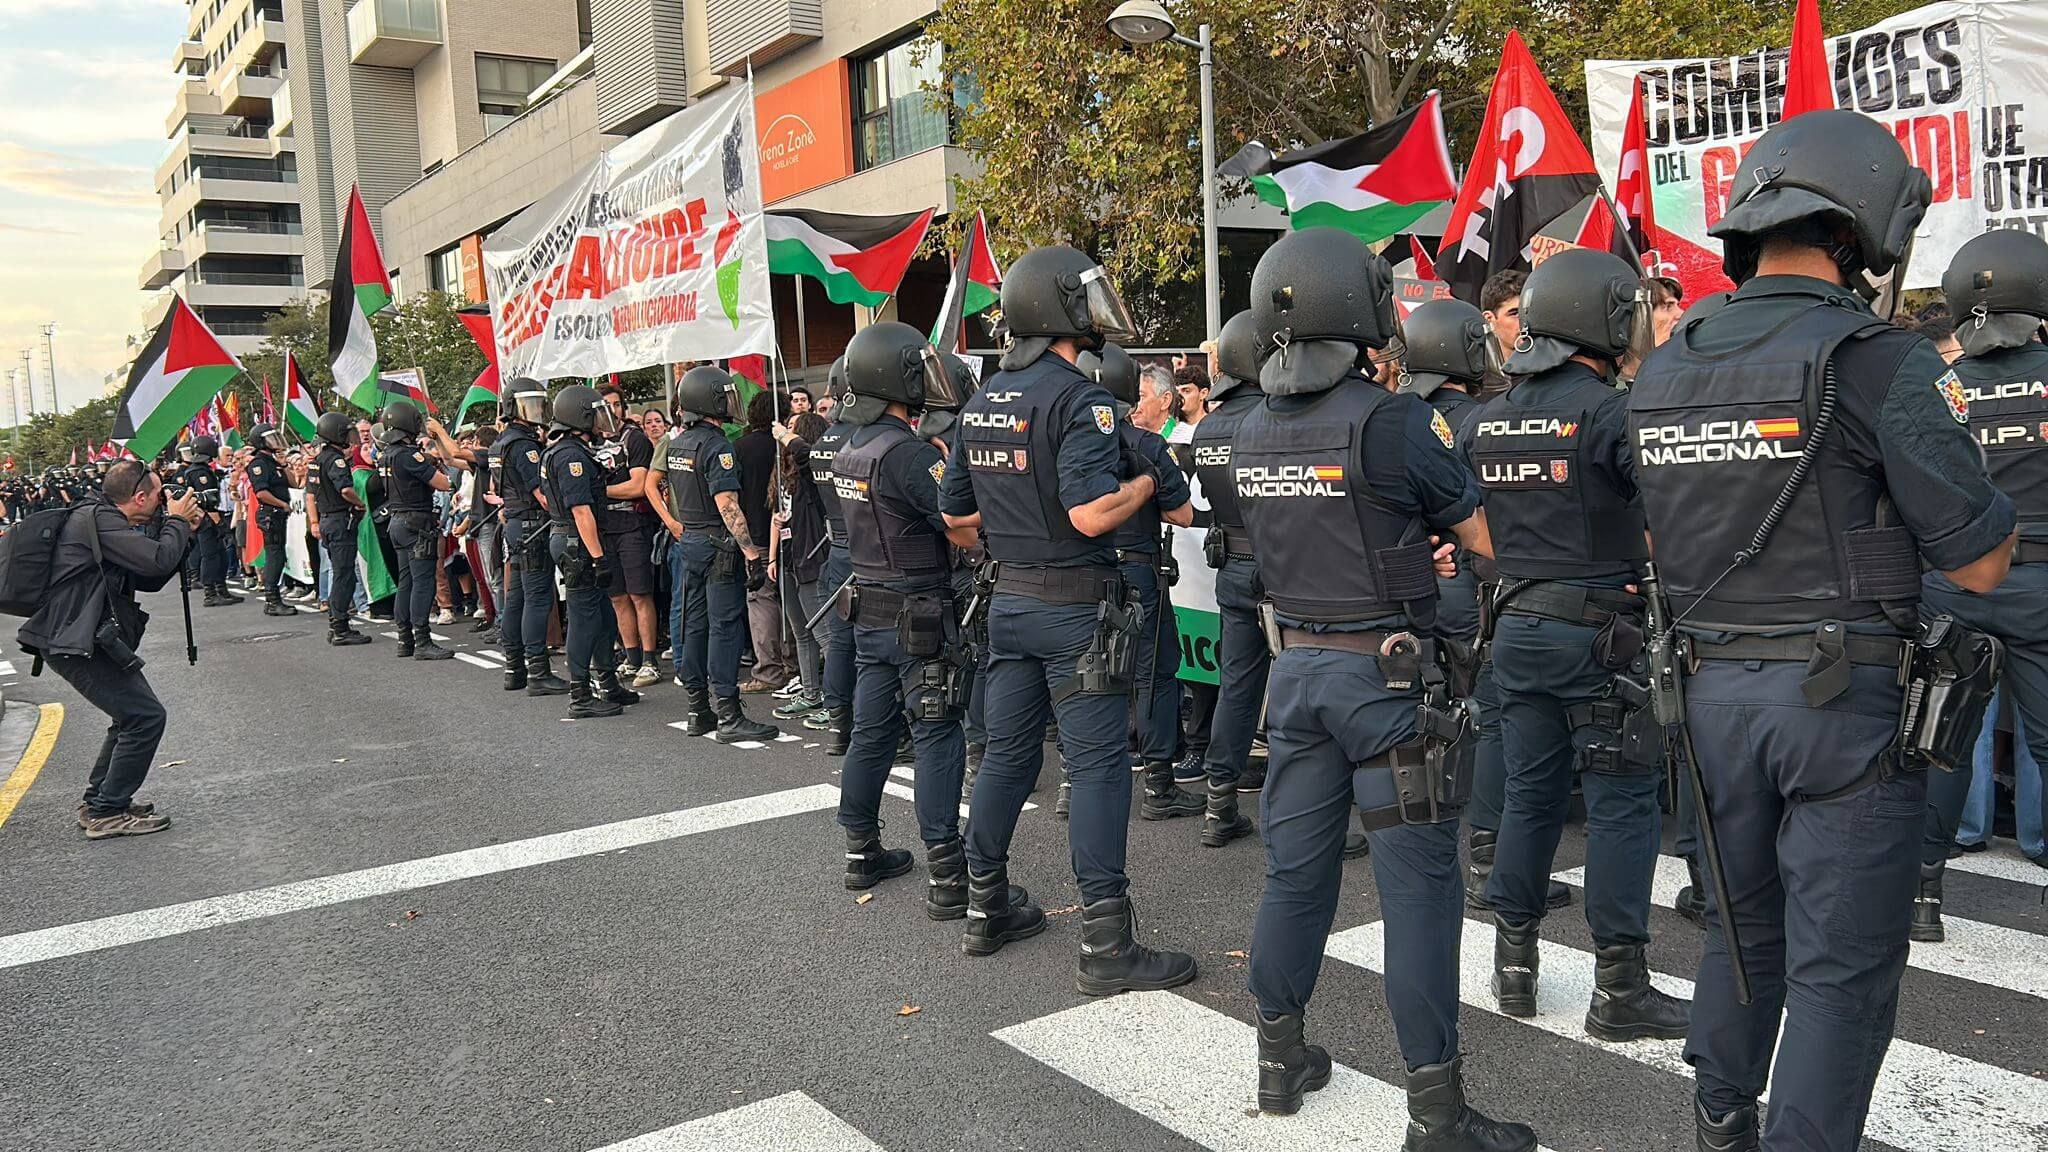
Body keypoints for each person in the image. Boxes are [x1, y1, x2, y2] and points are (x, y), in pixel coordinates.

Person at [1627, 109, 2014, 1151]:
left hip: (1709, 701)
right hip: (1841, 708)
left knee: (1739, 926)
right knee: (1840, 970)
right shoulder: (1878, 359)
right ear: (1854, 237)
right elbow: (1977, 560)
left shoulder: (1659, 370)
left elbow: (1655, 543)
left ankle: (1718, 1118)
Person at [1233, 228, 1526, 1147]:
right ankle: (1437, 1113)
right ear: (1356, 313)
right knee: (1417, 894)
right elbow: (1476, 537)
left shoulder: (1246, 426)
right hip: (1387, 682)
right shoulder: (1396, 419)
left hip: (1299, 677)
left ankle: (1279, 1060)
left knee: (1295, 876)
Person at [939, 244, 1195, 990]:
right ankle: (1107, 946)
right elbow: (1090, 516)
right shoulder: (1079, 400)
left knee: (1009, 759)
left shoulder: (982, 398)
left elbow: (955, 519)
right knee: (1096, 767)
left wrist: (1015, 539)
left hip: (1009, 601)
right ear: (1062, 310)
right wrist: (1145, 483)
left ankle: (985, 904)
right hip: (1074, 611)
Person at [1462, 249, 1689, 1043]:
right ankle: (1619, 987)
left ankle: (1513, 966)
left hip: (1515, 626)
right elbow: (1672, 516)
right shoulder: (1610, 411)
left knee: (1530, 795)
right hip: (1601, 631)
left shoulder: (1488, 415)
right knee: (1623, 802)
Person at [1399, 298, 1569, 917]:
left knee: (1440, 707)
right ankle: (1490, 852)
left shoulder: (1398, 417)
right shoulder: (1474, 417)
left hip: (1418, 585)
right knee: (1490, 712)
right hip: (1477, 582)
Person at [1912, 228, 2048, 942]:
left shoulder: (1936, 388)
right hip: (2040, 580)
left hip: (1952, 581)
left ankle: (1924, 897)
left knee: (1943, 736)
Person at [827, 321, 984, 910]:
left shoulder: (850, 447)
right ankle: (948, 872)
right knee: (937, 732)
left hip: (869, 607)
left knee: (871, 732)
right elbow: (960, 525)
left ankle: (861, 849)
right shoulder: (910, 454)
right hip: (918, 612)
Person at [18, 460, 200, 839]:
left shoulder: (102, 519)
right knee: (145, 717)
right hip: (73, 641)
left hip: (83, 639)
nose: (164, 499)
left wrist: (183, 532)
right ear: (139, 497)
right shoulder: (99, 521)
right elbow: (156, 559)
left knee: (132, 716)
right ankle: (106, 812)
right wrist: (178, 522)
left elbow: (150, 577)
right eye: (158, 493)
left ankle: (99, 801)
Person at [1079, 343, 1199, 820]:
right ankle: (1159, 785)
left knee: (1089, 674)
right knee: (1153, 674)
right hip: (1136, 572)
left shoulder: (1070, 442)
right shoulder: (1147, 446)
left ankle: (1074, 780)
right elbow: (1183, 513)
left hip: (1083, 572)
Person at [665, 366, 778, 742]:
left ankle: (699, 710)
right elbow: (727, 503)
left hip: (692, 543)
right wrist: (750, 552)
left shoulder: (679, 442)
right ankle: (729, 714)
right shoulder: (717, 447)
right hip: (718, 546)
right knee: (725, 628)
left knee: (693, 626)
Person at [1188, 309, 1265, 848]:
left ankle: (1219, 800)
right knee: (1294, 688)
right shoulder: (1274, 417)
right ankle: (1301, 808)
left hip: (1231, 567)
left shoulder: (1208, 428)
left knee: (1237, 685)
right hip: (1283, 569)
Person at [541, 384, 642, 718]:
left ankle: (608, 683)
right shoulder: (571, 456)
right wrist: (598, 557)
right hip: (579, 543)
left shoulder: (561, 450)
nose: (603, 420)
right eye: (595, 414)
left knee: (602, 616)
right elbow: (581, 511)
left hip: (572, 539)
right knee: (585, 619)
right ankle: (580, 694)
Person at [490, 379, 568, 696]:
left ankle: (515, 668)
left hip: (515, 523)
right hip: (533, 525)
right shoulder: (524, 446)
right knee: (537, 598)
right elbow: (543, 496)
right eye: (529, 405)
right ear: (512, 407)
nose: (537, 411)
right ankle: (538, 671)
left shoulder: (500, 443)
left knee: (517, 599)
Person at [378, 404, 466, 660]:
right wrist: (437, 465)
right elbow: (443, 483)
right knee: (423, 583)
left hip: (397, 521)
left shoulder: (385, 454)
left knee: (405, 582)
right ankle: (423, 640)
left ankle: (405, 639)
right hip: (416, 522)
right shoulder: (409, 455)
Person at [803, 361, 858, 753]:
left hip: (837, 549)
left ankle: (840, 723)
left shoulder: (824, 441)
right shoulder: (862, 440)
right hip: (867, 554)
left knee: (840, 643)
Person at [596, 389, 661, 687]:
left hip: (632, 524)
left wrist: (598, 492)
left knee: (639, 594)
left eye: (616, 404)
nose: (613, 410)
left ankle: (649, 659)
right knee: (618, 596)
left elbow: (637, 485)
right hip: (604, 527)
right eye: (606, 406)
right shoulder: (591, 442)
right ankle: (631, 656)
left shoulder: (634, 439)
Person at [769, 412, 831, 721]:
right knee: (800, 631)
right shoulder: (783, 471)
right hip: (788, 557)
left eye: (793, 428)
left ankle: (836, 705)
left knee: (825, 635)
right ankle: (810, 694)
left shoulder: (813, 470)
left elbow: (807, 455)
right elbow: (776, 515)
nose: (784, 433)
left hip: (813, 559)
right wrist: (771, 557)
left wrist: (784, 435)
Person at [737, 389, 793, 693]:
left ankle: (768, 670)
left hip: (756, 536)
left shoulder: (740, 448)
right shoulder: (785, 445)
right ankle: (796, 665)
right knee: (791, 603)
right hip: (791, 533)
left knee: (761, 603)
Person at [306, 412, 371, 646]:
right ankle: (340, 627)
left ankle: (337, 623)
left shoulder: (316, 460)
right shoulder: (336, 460)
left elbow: (310, 495)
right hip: (340, 520)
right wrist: (359, 503)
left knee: (339, 573)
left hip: (326, 520)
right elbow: (345, 489)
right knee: (344, 576)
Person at [244, 423, 300, 618]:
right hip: (271, 513)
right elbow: (261, 492)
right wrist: (282, 504)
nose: (276, 442)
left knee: (278, 555)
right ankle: (272, 599)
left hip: (278, 514)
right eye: (271, 439)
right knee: (274, 556)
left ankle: (273, 598)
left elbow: (294, 483)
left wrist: (284, 464)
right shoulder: (258, 463)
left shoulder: (273, 462)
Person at [179, 436, 240, 608]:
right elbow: (208, 501)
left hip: (205, 518)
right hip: (206, 520)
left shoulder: (200, 469)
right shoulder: (200, 472)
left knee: (219, 555)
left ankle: (221, 589)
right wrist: (219, 524)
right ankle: (210, 593)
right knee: (210, 555)